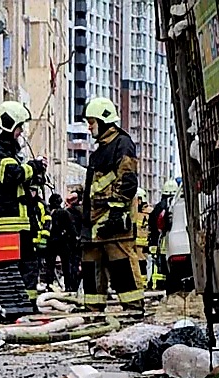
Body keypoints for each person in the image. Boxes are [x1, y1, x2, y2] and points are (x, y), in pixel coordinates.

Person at [79, 96, 142, 310]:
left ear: (104, 121)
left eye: (92, 121)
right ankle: (93, 313)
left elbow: (127, 181)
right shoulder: (99, 151)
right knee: (91, 270)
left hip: (113, 224)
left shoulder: (122, 144)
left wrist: (116, 212)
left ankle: (133, 311)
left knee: (122, 265)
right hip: (94, 226)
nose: (89, 127)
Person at [0, 100, 46, 296]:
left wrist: (36, 173)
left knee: (28, 264)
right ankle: (17, 305)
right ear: (9, 125)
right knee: (15, 267)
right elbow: (12, 175)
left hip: (20, 221)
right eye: (19, 127)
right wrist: (33, 167)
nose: (21, 131)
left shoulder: (10, 150)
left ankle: (27, 304)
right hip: (6, 221)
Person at [47, 189, 83, 292]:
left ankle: (49, 284)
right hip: (63, 242)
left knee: (50, 265)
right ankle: (68, 286)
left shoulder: (48, 212)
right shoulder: (64, 213)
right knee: (66, 264)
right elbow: (71, 228)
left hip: (50, 242)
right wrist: (75, 238)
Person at [147, 180, 177, 286]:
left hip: (159, 241)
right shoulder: (177, 205)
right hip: (174, 240)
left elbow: (152, 224)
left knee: (157, 263)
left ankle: (157, 283)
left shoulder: (158, 207)